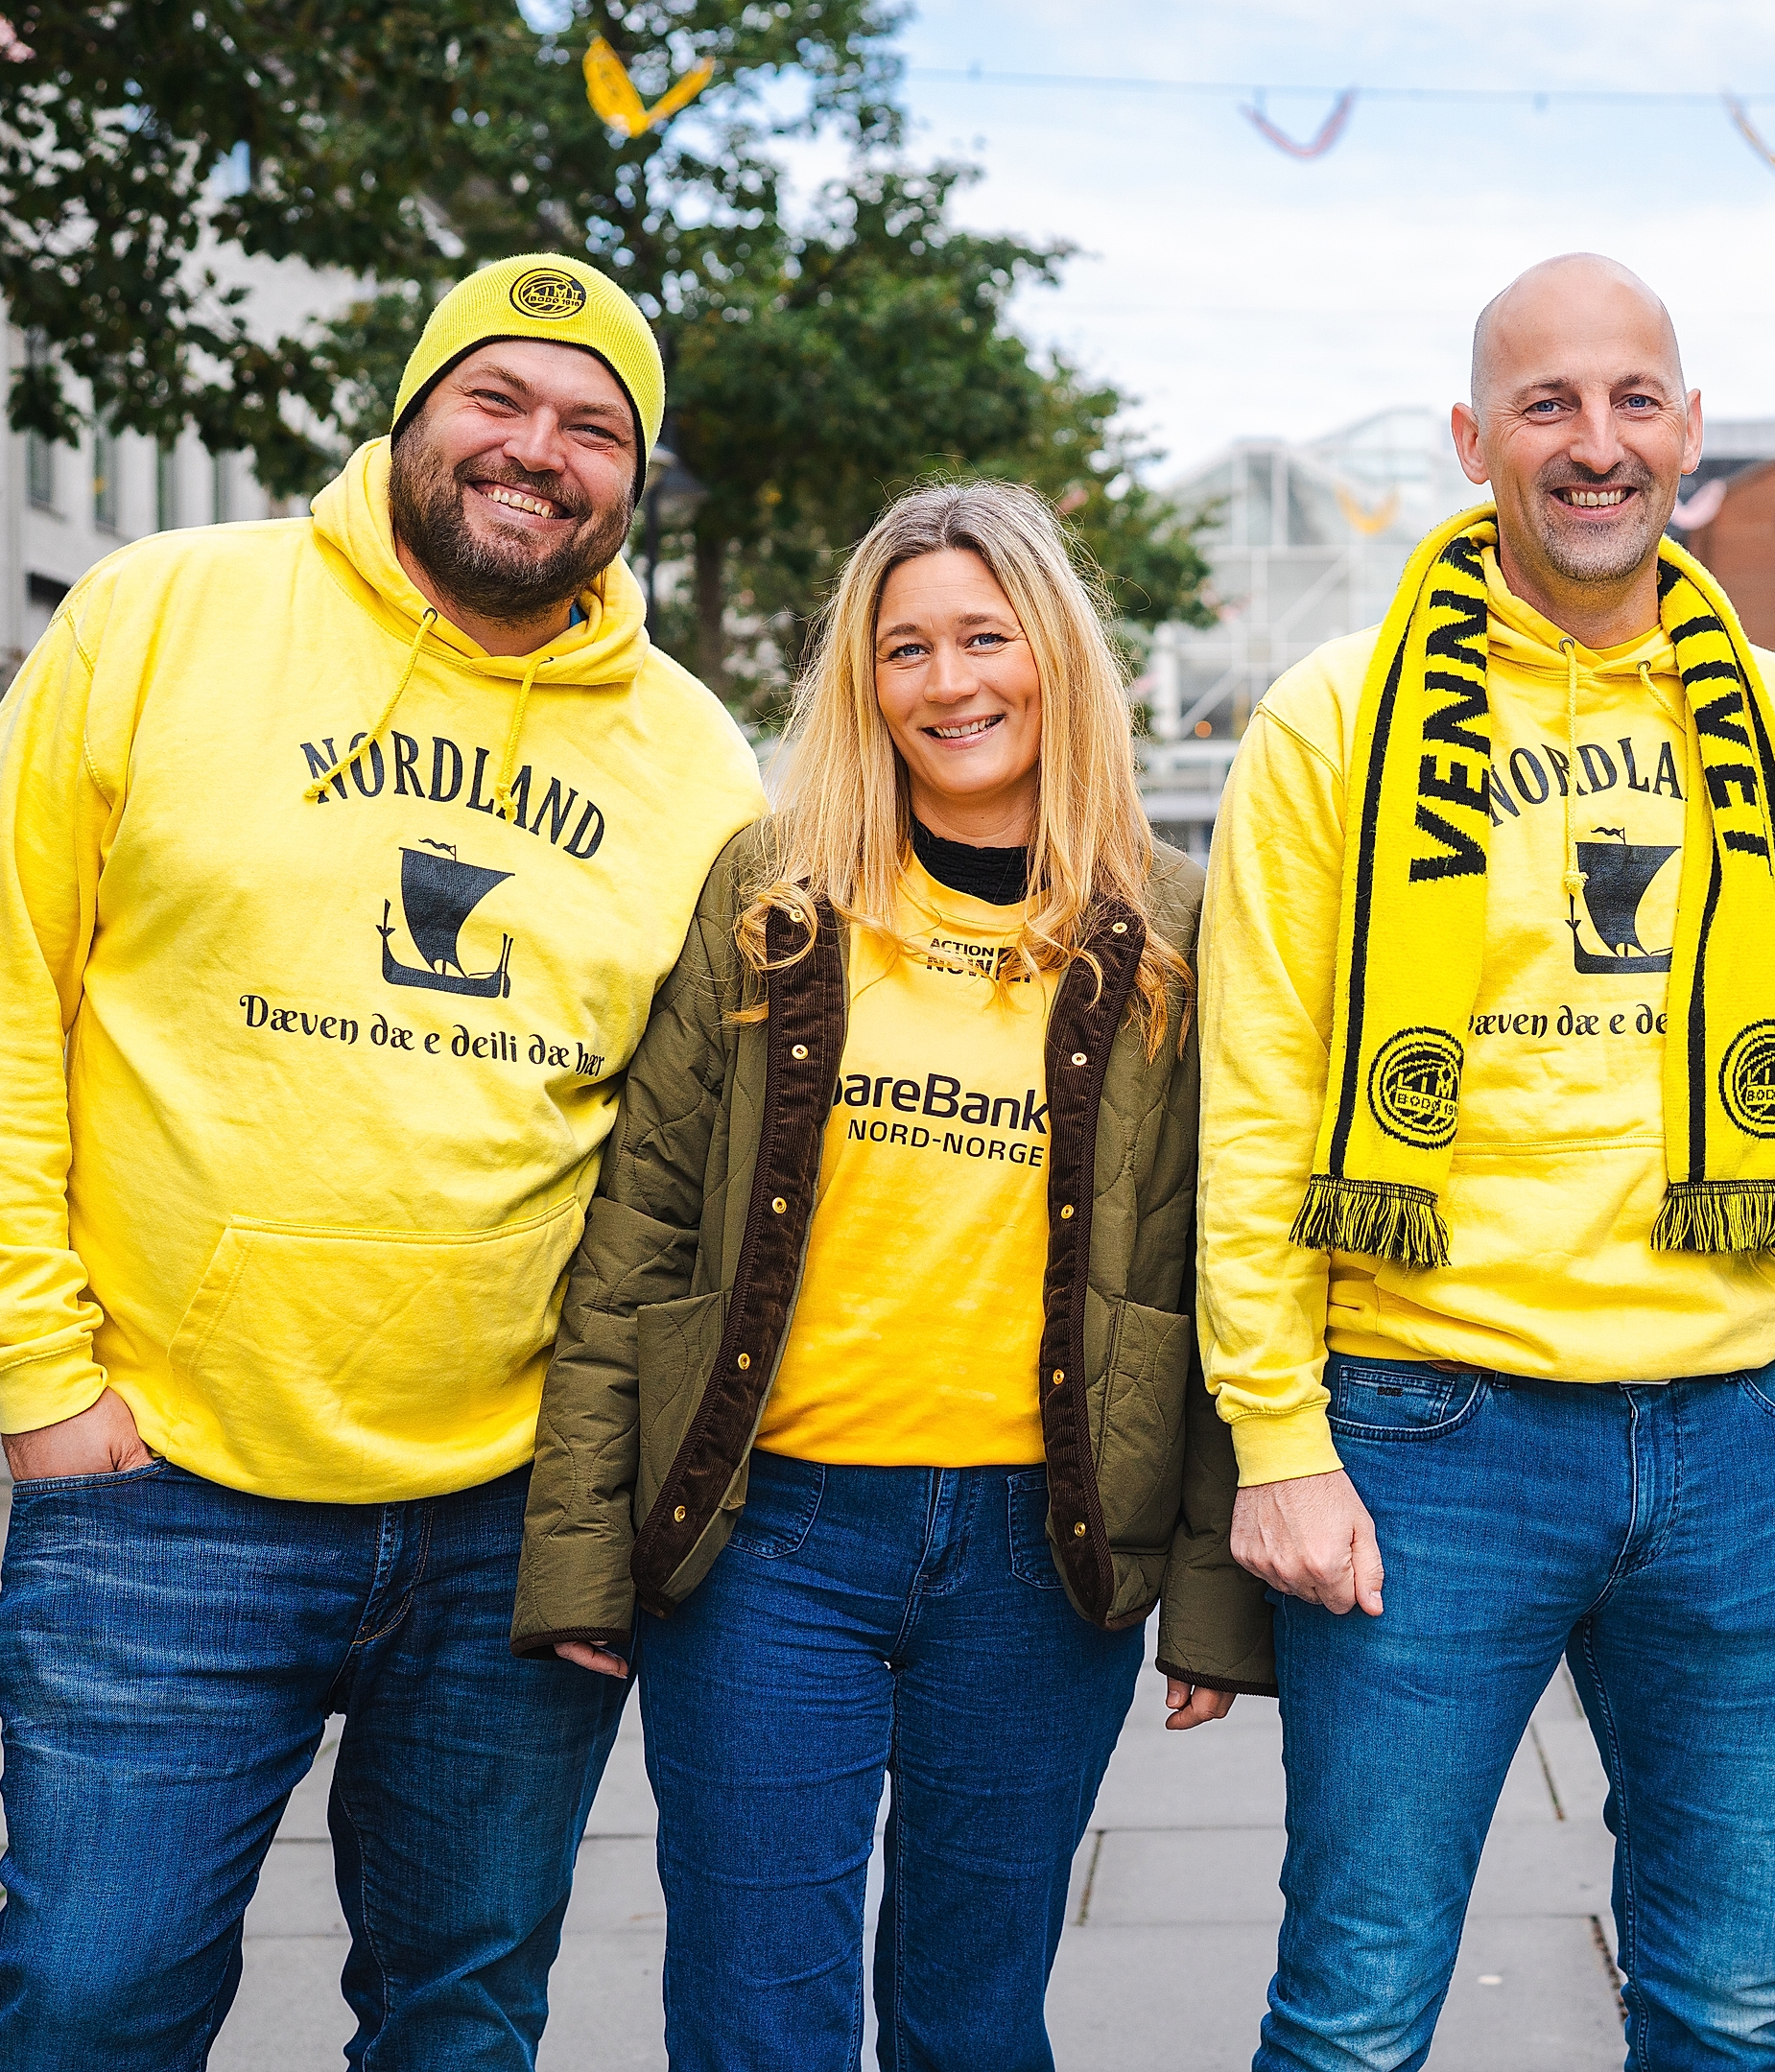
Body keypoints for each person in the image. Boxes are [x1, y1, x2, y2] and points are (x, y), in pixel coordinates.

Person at [0, 252, 769, 2069]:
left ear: (633, 478)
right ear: (414, 409)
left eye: (594, 427)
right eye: (498, 400)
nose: (539, 452)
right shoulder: (163, 615)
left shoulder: (695, 760)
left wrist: (623, 1501)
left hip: (513, 1521)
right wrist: (42, 1374)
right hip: (167, 1488)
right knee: (91, 2000)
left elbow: (701, 1168)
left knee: (459, 2013)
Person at [1199, 254, 1775, 2071]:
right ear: (1471, 438)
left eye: (1634, 400)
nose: (1596, 444)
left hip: (1737, 1440)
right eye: (1548, 404)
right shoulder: (1332, 722)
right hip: (1431, 1441)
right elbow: (1254, 1099)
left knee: (1729, 2002)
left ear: (1691, 430)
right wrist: (1275, 1442)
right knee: (1354, 2007)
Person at [512, 479, 1268, 2071]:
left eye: (985, 637)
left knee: (975, 2014)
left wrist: (1212, 1599)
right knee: (754, 2008)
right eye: (904, 648)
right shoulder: (772, 896)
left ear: (1056, 655)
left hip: (1040, 1553)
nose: (949, 684)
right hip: (767, 1537)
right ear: (863, 681)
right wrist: (582, 1552)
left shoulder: (1176, 933)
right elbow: (641, 1227)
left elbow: (1221, 1274)